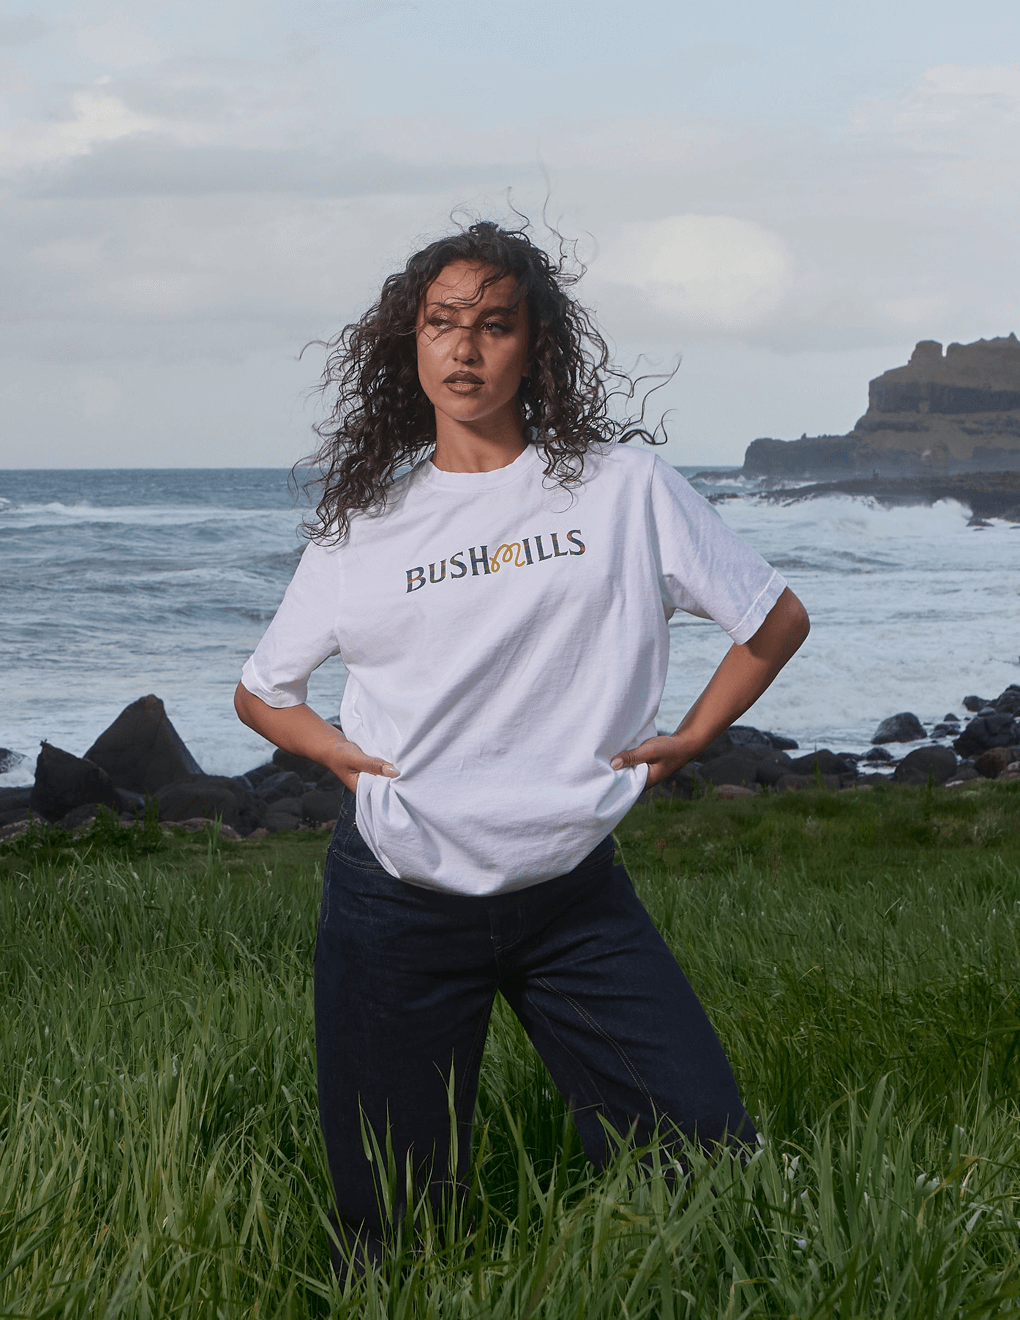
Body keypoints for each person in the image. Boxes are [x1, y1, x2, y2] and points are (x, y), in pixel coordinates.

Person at [234, 219, 809, 1266]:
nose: (464, 348)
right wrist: (331, 751)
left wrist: (692, 736)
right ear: (409, 344)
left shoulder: (622, 489)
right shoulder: (366, 527)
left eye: (494, 325)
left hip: (571, 896)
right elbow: (262, 691)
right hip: (397, 899)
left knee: (715, 1170)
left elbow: (773, 619)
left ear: (534, 346)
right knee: (395, 1235)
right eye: (441, 323)